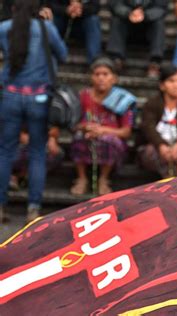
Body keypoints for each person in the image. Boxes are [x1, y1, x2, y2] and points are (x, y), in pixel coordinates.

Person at [0, 0, 67, 222]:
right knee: (37, 152)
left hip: (10, 95)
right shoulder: (46, 28)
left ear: (13, 8)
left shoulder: (4, 28)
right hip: (39, 97)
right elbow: (63, 54)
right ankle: (33, 209)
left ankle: (0, 207)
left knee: (5, 152)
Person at [70, 57, 134, 196]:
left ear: (114, 78)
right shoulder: (83, 96)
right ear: (91, 77)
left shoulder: (122, 99)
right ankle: (81, 178)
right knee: (79, 137)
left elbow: (126, 131)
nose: (101, 78)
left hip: (110, 137)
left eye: (105, 74)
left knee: (110, 141)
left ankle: (104, 179)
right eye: (97, 74)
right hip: (88, 133)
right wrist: (86, 127)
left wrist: (103, 130)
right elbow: (73, 124)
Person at [139, 65, 177, 178]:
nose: (176, 85)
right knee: (150, 151)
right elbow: (148, 127)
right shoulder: (151, 104)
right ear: (162, 85)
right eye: (171, 81)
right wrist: (161, 145)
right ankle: (173, 181)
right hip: (158, 148)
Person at [106, 0, 167, 79]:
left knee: (158, 22)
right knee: (116, 19)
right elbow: (114, 4)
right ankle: (116, 60)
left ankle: (155, 62)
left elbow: (161, 8)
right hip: (126, 26)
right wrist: (129, 13)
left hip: (148, 28)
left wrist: (144, 15)